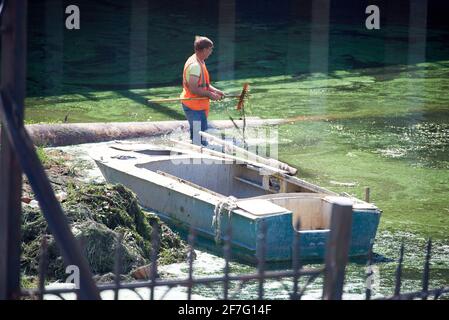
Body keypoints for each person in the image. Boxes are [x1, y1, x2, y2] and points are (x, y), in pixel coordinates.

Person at [180, 36, 224, 146]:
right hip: (193, 106)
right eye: (210, 49)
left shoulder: (200, 61)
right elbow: (194, 88)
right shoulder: (195, 66)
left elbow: (204, 83)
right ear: (204, 50)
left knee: (199, 134)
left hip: (198, 105)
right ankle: (197, 157)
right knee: (199, 137)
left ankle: (196, 151)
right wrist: (210, 95)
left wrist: (215, 90)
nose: (211, 52)